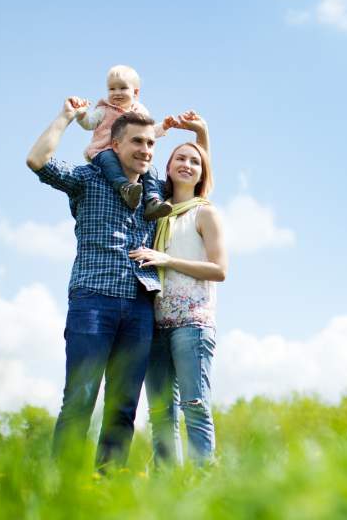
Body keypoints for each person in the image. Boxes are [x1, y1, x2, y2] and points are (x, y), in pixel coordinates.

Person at [26, 98, 207, 470]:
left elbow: (198, 177)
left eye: (150, 143)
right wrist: (63, 117)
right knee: (80, 397)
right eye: (137, 142)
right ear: (115, 144)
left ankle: (106, 485)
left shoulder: (156, 190)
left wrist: (201, 134)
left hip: (140, 309)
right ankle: (67, 487)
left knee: (124, 406)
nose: (145, 150)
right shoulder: (89, 178)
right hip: (93, 301)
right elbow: (38, 161)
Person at [129, 122, 227, 467]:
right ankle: (167, 493)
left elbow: (220, 270)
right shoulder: (157, 213)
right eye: (179, 158)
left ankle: (202, 488)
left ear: (202, 172)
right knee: (159, 414)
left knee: (195, 407)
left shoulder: (205, 212)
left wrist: (167, 259)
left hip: (192, 324)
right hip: (154, 325)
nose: (187, 164)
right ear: (167, 168)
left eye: (195, 161)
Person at [74, 65, 173, 220]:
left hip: (129, 156)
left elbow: (149, 132)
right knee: (109, 159)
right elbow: (89, 123)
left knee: (150, 170)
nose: (117, 93)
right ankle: (125, 188)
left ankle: (152, 200)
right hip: (103, 150)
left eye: (123, 88)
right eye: (112, 89)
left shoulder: (140, 111)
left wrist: (164, 126)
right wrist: (81, 116)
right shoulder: (104, 110)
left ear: (135, 92)